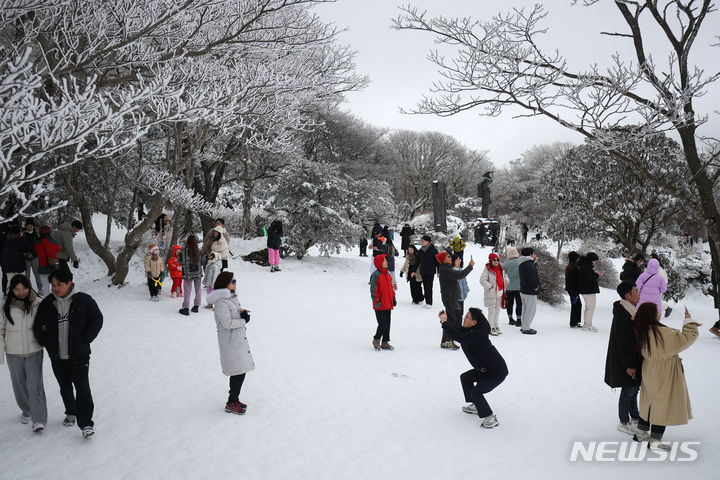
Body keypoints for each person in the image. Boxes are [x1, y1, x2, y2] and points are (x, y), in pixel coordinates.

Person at [33, 269, 103, 439]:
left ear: (69, 284)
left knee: (82, 388)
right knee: (64, 386)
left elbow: (97, 319)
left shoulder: (83, 300)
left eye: (59, 285)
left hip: (79, 355)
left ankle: (86, 423)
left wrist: (85, 338)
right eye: (53, 285)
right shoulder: (47, 303)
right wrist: (47, 342)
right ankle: (71, 411)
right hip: (57, 355)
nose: (55, 288)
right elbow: (37, 326)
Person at [632, 303, 699, 451]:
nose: (659, 314)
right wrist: (688, 320)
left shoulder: (641, 329)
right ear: (651, 315)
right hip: (665, 371)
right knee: (662, 404)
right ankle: (655, 440)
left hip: (649, 369)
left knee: (648, 401)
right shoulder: (662, 332)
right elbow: (687, 338)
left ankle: (641, 432)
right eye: (657, 312)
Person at [439, 307, 508, 429]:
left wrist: (445, 323)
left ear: (474, 322)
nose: (464, 319)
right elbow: (459, 330)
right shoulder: (471, 329)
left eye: (467, 317)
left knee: (476, 392)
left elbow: (460, 337)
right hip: (483, 369)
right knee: (465, 378)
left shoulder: (477, 335)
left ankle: (490, 417)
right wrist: (445, 321)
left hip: (496, 372)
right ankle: (476, 405)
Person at [1, 275, 46, 432]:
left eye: (24, 288)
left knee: (35, 385)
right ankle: (27, 410)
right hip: (13, 352)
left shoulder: (38, 303)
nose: (21, 292)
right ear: (12, 290)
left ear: (30, 287)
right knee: (19, 385)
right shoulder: (4, 306)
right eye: (17, 289)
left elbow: (47, 323)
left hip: (34, 351)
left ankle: (39, 419)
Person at [206, 272, 254, 415]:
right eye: (233, 281)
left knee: (240, 370)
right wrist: (243, 321)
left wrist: (242, 314)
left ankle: (234, 399)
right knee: (237, 371)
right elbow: (226, 323)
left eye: (235, 281)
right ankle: (231, 402)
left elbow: (234, 313)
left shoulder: (231, 298)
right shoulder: (221, 302)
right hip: (230, 342)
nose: (235, 284)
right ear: (225, 283)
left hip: (237, 340)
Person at [604, 282, 641, 435]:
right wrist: (630, 364)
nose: (638, 293)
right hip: (626, 360)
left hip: (631, 359)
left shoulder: (629, 310)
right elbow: (624, 342)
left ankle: (635, 416)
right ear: (627, 295)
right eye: (636, 291)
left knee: (633, 388)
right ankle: (624, 421)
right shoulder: (625, 314)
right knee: (629, 390)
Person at [437, 251, 475, 349]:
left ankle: (450, 339)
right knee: (451, 319)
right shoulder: (445, 269)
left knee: (454, 318)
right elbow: (461, 274)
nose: (451, 258)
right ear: (444, 259)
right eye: (449, 256)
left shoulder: (447, 268)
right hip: (450, 298)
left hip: (453, 297)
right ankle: (446, 340)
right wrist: (470, 266)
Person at [370, 254, 396, 351]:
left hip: (388, 303)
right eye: (384, 260)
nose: (387, 262)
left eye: (386, 260)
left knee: (388, 323)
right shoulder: (376, 275)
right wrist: (376, 301)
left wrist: (393, 298)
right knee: (383, 323)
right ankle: (376, 339)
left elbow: (391, 289)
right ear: (379, 263)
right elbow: (373, 290)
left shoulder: (388, 274)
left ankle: (385, 342)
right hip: (379, 304)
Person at [479, 253, 508, 336]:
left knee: (497, 310)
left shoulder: (501, 269)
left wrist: (506, 282)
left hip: (500, 293)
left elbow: (505, 277)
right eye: (494, 260)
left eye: (497, 260)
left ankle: (496, 325)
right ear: (490, 260)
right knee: (491, 311)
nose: (496, 261)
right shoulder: (487, 270)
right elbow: (482, 280)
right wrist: (490, 286)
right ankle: (491, 327)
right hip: (491, 294)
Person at [177, 235, 207, 315]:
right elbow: (203, 261)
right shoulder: (199, 251)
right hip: (197, 273)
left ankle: (186, 308)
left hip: (187, 274)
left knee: (187, 291)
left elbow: (180, 262)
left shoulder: (183, 251)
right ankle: (196, 307)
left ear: (187, 242)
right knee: (198, 290)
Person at [1, 224, 31, 291]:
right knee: (21, 283)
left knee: (10, 283)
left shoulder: (5, 240)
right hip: (19, 265)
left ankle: (8, 297)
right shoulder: (22, 240)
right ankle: (21, 298)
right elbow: (29, 251)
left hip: (8, 265)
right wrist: (29, 258)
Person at [518, 247, 540, 335]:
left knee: (525, 309)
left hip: (523, 289)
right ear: (530, 254)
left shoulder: (522, 262)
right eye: (533, 254)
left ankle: (524, 326)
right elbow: (533, 277)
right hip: (530, 291)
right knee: (531, 310)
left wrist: (534, 262)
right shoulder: (529, 264)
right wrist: (536, 287)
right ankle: (526, 328)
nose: (535, 255)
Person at [33, 226, 60, 296]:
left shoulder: (36, 243)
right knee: (55, 285)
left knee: (45, 287)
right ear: (49, 233)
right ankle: (56, 300)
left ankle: (47, 302)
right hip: (54, 264)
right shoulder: (53, 241)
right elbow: (58, 249)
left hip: (42, 266)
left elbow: (35, 252)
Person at [578, 252, 601, 332]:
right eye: (594, 260)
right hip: (588, 290)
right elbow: (589, 278)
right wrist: (596, 275)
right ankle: (588, 325)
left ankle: (586, 324)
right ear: (590, 260)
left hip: (586, 290)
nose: (595, 262)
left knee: (588, 308)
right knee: (590, 308)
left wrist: (594, 274)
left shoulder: (583, 266)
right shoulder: (586, 267)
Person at [417, 235, 439, 309]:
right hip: (423, 271)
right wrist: (414, 270)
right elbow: (417, 261)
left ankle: (429, 303)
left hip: (430, 271)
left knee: (429, 287)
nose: (422, 242)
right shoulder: (421, 250)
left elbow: (438, 261)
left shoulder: (433, 250)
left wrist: (439, 271)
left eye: (423, 241)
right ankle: (427, 302)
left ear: (427, 242)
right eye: (421, 241)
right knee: (425, 286)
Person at [502, 247, 522, 327]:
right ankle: (519, 320)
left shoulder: (505, 263)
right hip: (519, 287)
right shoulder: (520, 262)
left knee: (510, 304)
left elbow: (501, 273)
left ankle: (510, 319)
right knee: (519, 304)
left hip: (509, 287)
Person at [22, 220, 43, 295]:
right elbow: (21, 246)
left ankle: (40, 289)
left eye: (31, 226)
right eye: (28, 226)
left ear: (33, 227)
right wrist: (25, 254)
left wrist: (34, 254)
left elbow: (39, 246)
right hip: (26, 257)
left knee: (37, 273)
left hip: (35, 257)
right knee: (27, 274)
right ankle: (29, 289)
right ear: (26, 226)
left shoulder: (36, 235)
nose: (29, 227)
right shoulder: (23, 235)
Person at [649, 253, 672, 317]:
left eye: (651, 258)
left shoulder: (658, 267)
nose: (649, 260)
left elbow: (662, 278)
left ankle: (667, 308)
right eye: (649, 258)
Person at [564, 251, 582, 328]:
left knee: (578, 305)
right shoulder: (572, 268)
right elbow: (573, 281)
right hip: (573, 290)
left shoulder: (571, 267)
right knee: (575, 305)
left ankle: (576, 321)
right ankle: (573, 322)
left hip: (573, 289)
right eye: (577, 258)